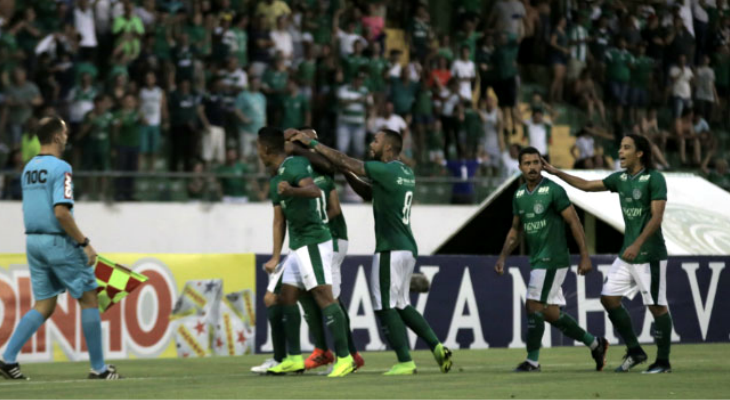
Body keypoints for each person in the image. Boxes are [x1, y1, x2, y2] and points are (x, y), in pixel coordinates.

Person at [291, 129, 453, 376]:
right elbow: (368, 192)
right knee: (401, 304)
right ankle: (437, 346)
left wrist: (313, 143)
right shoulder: (404, 173)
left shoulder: (385, 170)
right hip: (407, 248)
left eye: (376, 141)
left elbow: (347, 160)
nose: (371, 144)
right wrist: (346, 172)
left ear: (388, 148)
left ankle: (405, 361)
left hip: (390, 248)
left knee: (383, 306)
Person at [0, 117, 121, 380]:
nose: (67, 137)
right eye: (64, 133)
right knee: (89, 297)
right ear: (56, 137)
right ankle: (99, 369)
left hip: (33, 241)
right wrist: (85, 243)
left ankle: (7, 359)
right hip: (57, 240)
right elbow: (61, 212)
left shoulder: (29, 167)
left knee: (45, 303)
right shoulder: (61, 168)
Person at [543, 134, 674, 374]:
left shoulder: (654, 179)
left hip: (650, 254)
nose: (620, 152)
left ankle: (663, 361)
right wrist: (555, 172)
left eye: (626, 148)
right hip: (627, 255)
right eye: (620, 147)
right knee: (608, 298)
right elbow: (586, 185)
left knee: (657, 306)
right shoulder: (620, 179)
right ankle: (635, 351)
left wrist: (638, 244)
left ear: (640, 153)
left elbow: (657, 217)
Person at [495, 146, 608, 372]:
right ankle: (595, 344)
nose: (532, 167)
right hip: (538, 259)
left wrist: (585, 256)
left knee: (532, 305)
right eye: (527, 163)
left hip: (553, 258)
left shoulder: (553, 190)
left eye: (536, 162)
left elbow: (574, 221)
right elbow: (515, 231)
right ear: (519, 168)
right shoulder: (518, 196)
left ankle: (532, 361)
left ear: (542, 164)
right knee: (550, 313)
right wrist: (503, 256)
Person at [257, 127, 356, 378]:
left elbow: (314, 191)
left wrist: (292, 191)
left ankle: (345, 358)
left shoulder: (293, 167)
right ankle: (292, 358)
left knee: (324, 296)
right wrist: (276, 256)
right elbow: (279, 221)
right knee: (284, 296)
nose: (257, 152)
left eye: (258, 147)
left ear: (266, 149)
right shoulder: (274, 178)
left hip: (313, 241)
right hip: (298, 244)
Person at [139, 71, 168, 171]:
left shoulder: (159, 91)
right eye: (147, 78)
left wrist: (165, 120)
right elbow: (139, 107)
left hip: (156, 122)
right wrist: (142, 118)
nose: (149, 80)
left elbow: (163, 107)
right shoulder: (142, 91)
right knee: (142, 147)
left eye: (151, 78)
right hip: (145, 122)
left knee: (154, 148)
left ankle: (152, 168)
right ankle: (140, 168)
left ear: (155, 80)